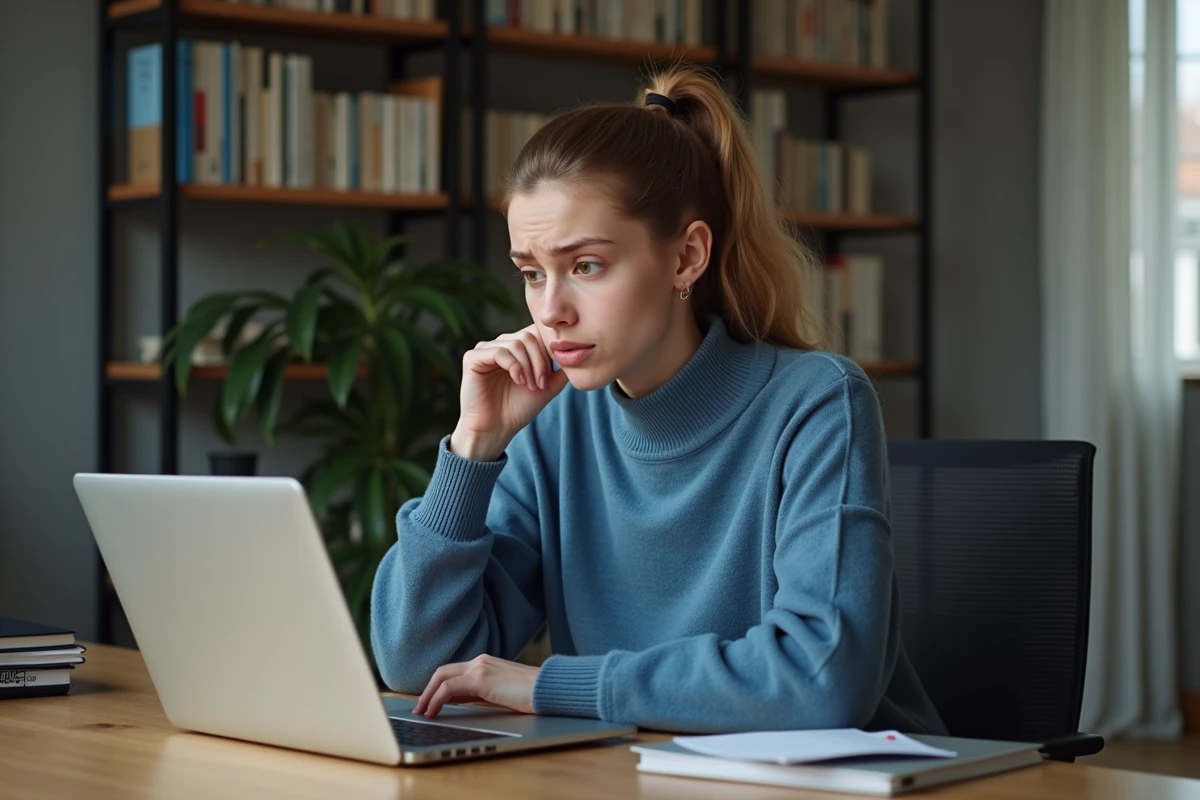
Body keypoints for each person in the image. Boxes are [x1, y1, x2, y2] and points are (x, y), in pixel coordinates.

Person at [369, 64, 946, 735]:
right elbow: (416, 662)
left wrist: (553, 685)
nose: (550, 310)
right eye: (531, 272)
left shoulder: (817, 403)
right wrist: (472, 449)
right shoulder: (552, 420)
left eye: (586, 266)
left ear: (686, 258)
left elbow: (822, 681)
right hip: (633, 773)